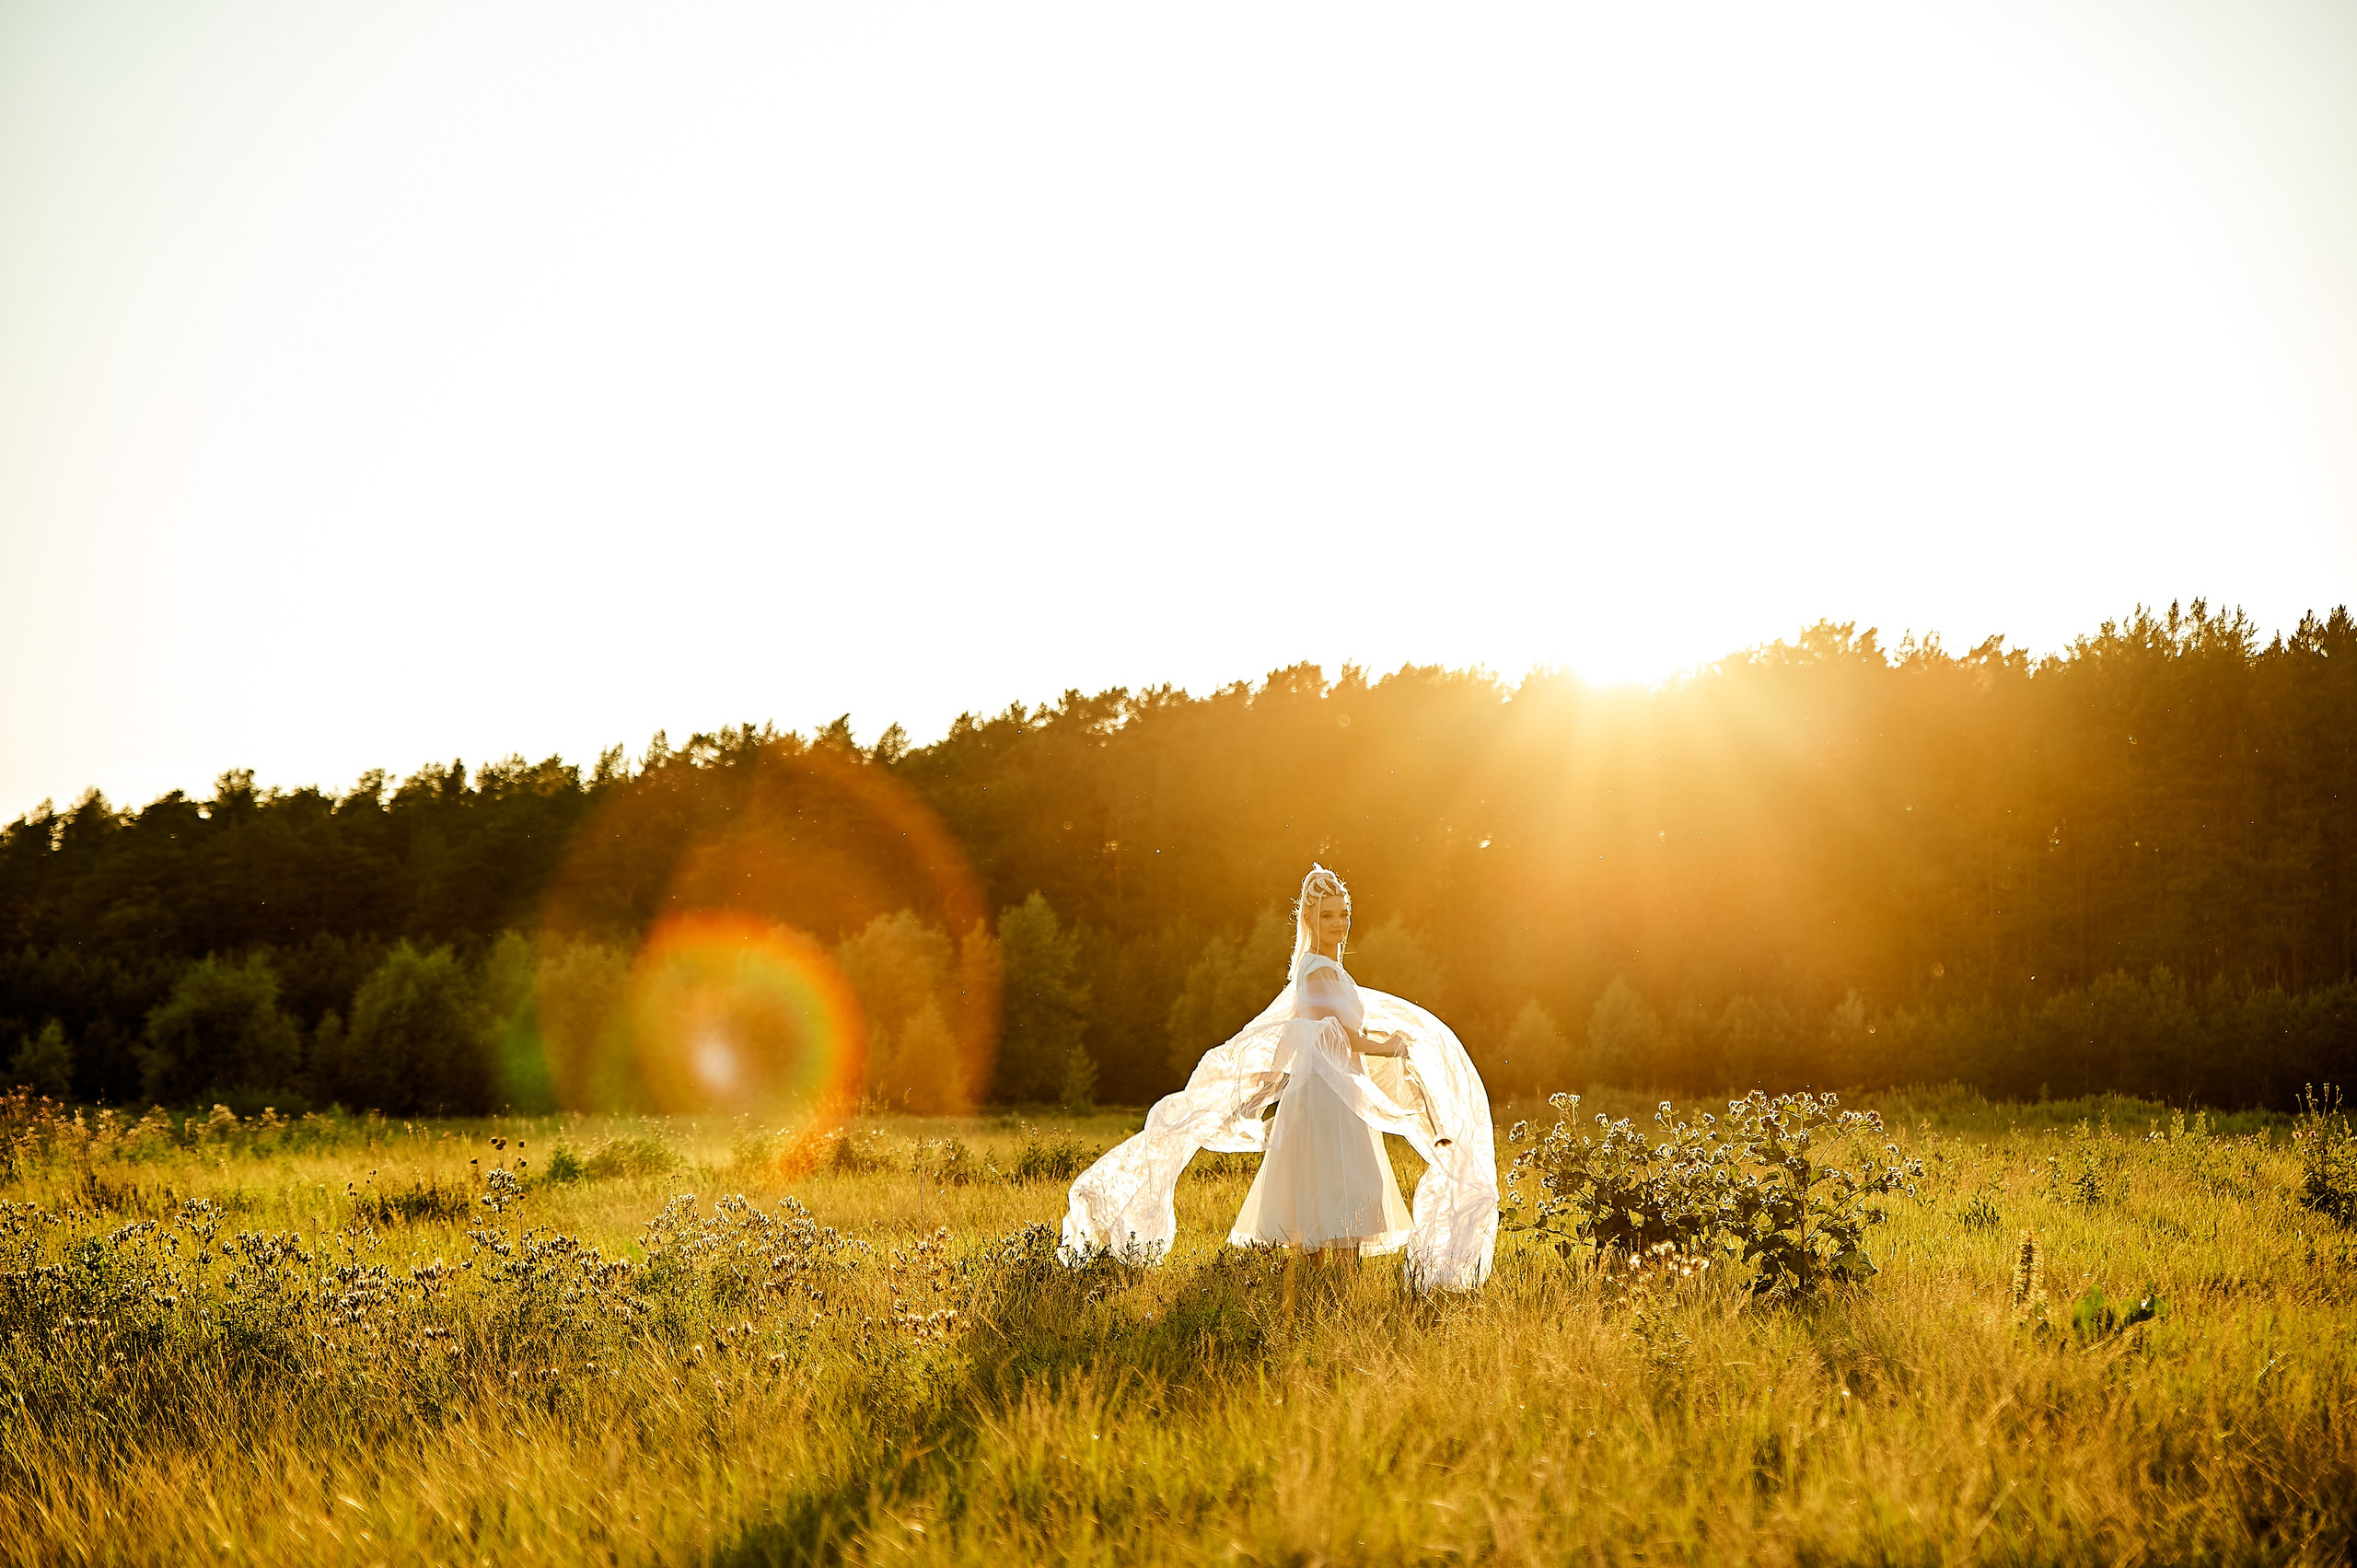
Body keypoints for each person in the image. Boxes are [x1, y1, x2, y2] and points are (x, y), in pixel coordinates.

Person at [1061, 865, 1497, 1291]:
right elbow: (1339, 1038)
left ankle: (1325, 1298)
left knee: (1332, 1197)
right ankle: (1330, 1302)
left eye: (1343, 914)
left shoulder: (1322, 971)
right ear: (1309, 918)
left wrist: (1269, 1082)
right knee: (1344, 1195)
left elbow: (1297, 1031)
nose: (1338, 923)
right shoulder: (1319, 970)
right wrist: (1391, 1047)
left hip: (1334, 1092)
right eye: (1328, 915)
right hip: (1330, 1099)